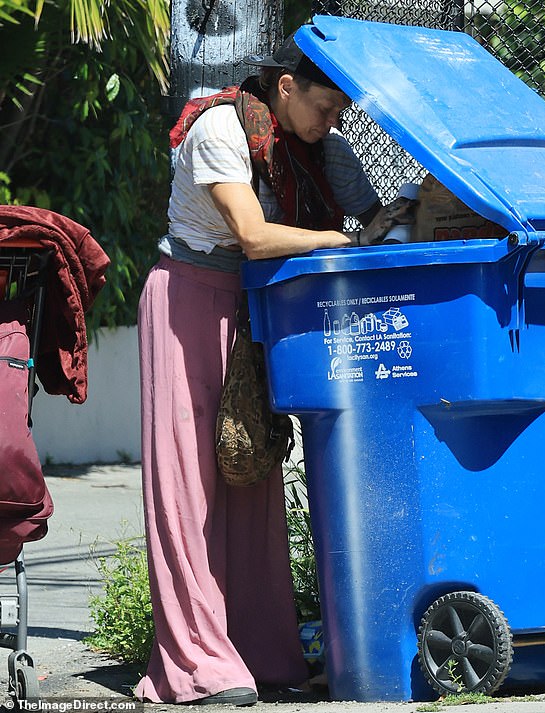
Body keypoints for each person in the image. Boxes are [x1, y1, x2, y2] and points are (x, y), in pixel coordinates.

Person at [135, 28, 415, 706]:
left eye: (340, 114)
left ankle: (260, 653)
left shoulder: (317, 151)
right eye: (324, 108)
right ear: (285, 87)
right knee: (187, 491)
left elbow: (386, 220)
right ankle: (196, 665)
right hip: (187, 298)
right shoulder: (219, 127)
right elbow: (255, 235)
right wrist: (336, 240)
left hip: (253, 311)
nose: (331, 123)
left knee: (250, 471)